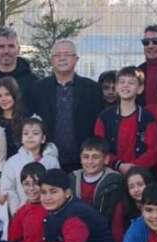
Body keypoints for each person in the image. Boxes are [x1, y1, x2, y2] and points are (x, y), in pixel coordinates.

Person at [30, 39, 104, 172]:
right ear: (51, 60)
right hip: (47, 160)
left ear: (76, 59)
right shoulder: (37, 89)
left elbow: (99, 126)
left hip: (84, 162)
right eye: (57, 55)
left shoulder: (92, 89)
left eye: (67, 54)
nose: (62, 58)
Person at [94, 66, 157, 173]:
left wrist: (134, 167)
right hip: (110, 173)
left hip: (140, 175)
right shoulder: (104, 117)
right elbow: (99, 147)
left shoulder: (147, 118)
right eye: (122, 82)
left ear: (140, 88)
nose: (125, 85)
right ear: (117, 87)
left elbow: (153, 150)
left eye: (131, 83)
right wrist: (118, 165)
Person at [1, 116, 60, 213]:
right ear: (21, 138)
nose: (30, 136)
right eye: (26, 133)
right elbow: (8, 189)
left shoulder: (51, 161)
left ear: (43, 138)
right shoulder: (12, 162)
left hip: (48, 212)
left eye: (35, 133)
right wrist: (17, 210)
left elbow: (57, 186)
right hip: (22, 212)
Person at [71, 137, 125, 223]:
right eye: (85, 157)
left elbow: (114, 217)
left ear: (106, 159)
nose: (90, 161)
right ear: (80, 159)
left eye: (95, 157)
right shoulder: (72, 179)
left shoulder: (114, 181)